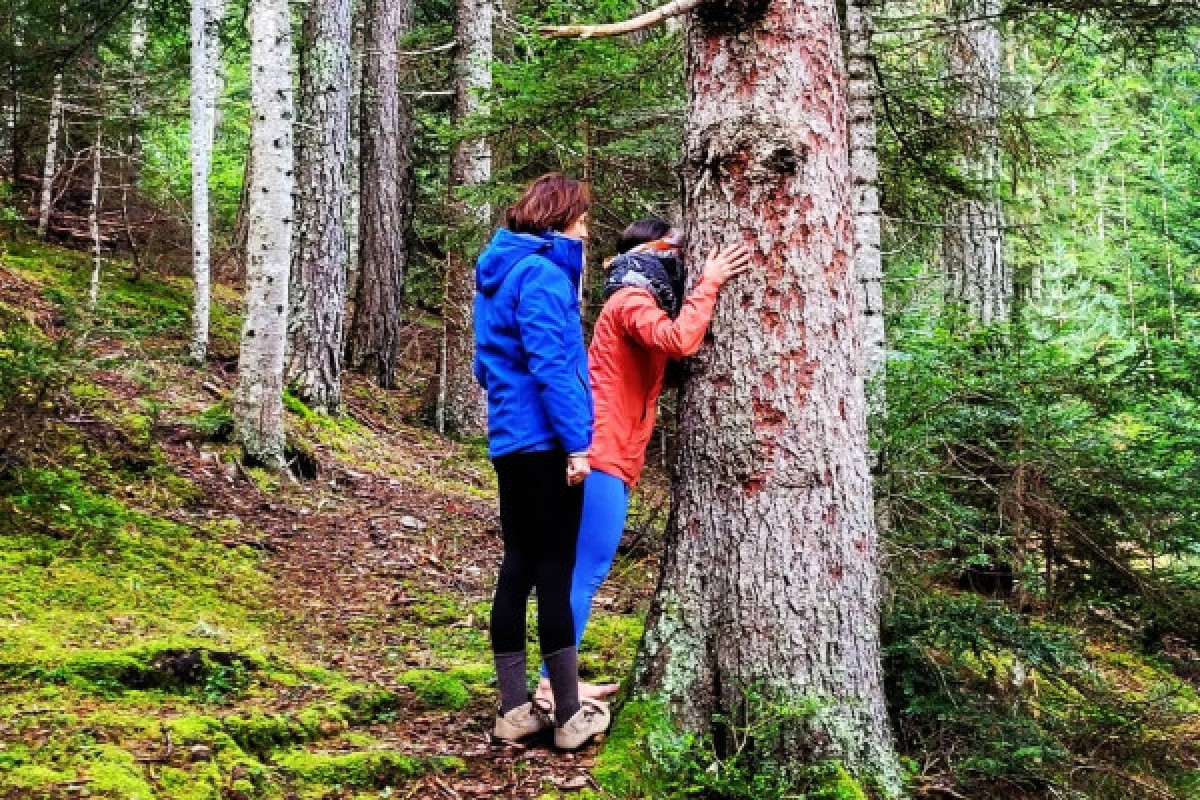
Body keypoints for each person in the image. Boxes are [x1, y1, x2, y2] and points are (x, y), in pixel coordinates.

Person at [535, 219, 752, 704]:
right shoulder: (630, 300)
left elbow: (661, 363)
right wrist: (710, 283)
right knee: (584, 572)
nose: (678, 264)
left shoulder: (632, 301)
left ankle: (554, 681)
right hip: (602, 454)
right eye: (672, 253)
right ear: (649, 256)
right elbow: (678, 341)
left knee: (579, 571)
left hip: (611, 453)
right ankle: (552, 686)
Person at [473, 173, 611, 751]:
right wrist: (578, 443)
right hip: (549, 443)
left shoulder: (496, 272)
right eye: (582, 220)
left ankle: (513, 711)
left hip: (510, 440)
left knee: (518, 566)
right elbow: (554, 365)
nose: (586, 231)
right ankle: (570, 718)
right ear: (560, 219)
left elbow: (484, 367)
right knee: (554, 570)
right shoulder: (543, 275)